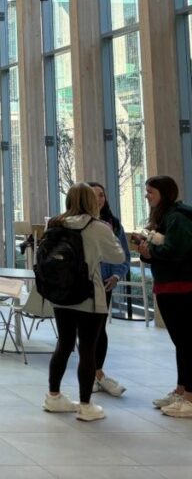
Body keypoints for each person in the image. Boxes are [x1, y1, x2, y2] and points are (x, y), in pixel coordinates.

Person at [41, 183, 125, 422]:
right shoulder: (98, 227)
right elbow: (117, 256)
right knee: (87, 349)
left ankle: (53, 395)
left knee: (64, 345)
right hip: (89, 295)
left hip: (62, 294)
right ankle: (86, 405)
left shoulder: (55, 224)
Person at [135, 175, 192, 417]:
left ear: (164, 194)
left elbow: (176, 251)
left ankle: (189, 397)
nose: (147, 195)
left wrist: (153, 250)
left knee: (187, 342)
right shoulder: (166, 217)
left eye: (151, 192)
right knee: (181, 343)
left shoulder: (177, 218)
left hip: (181, 287)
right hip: (168, 286)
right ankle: (181, 390)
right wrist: (148, 251)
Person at [88, 181, 130, 397]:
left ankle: (98, 373)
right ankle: (92, 375)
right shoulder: (76, 223)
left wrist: (116, 275)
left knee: (99, 328)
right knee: (84, 330)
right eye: (93, 195)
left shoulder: (112, 224)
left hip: (104, 283)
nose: (98, 200)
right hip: (83, 284)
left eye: (101, 195)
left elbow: (123, 254)